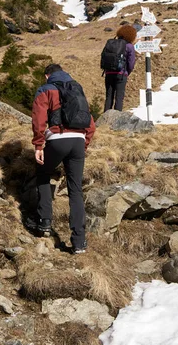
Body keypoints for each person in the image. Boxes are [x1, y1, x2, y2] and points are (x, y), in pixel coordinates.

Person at [30, 64, 95, 253]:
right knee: (75, 190)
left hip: (57, 139)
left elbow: (39, 118)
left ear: (46, 75)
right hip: (78, 140)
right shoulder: (76, 88)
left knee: (42, 172)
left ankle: (45, 223)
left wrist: (38, 145)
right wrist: (83, 144)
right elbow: (90, 124)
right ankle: (79, 242)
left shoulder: (46, 89)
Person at [103, 24, 136, 112]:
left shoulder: (111, 43)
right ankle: (116, 120)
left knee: (109, 97)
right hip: (121, 74)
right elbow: (131, 63)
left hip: (109, 72)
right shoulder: (129, 46)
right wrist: (127, 73)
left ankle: (105, 119)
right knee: (119, 98)